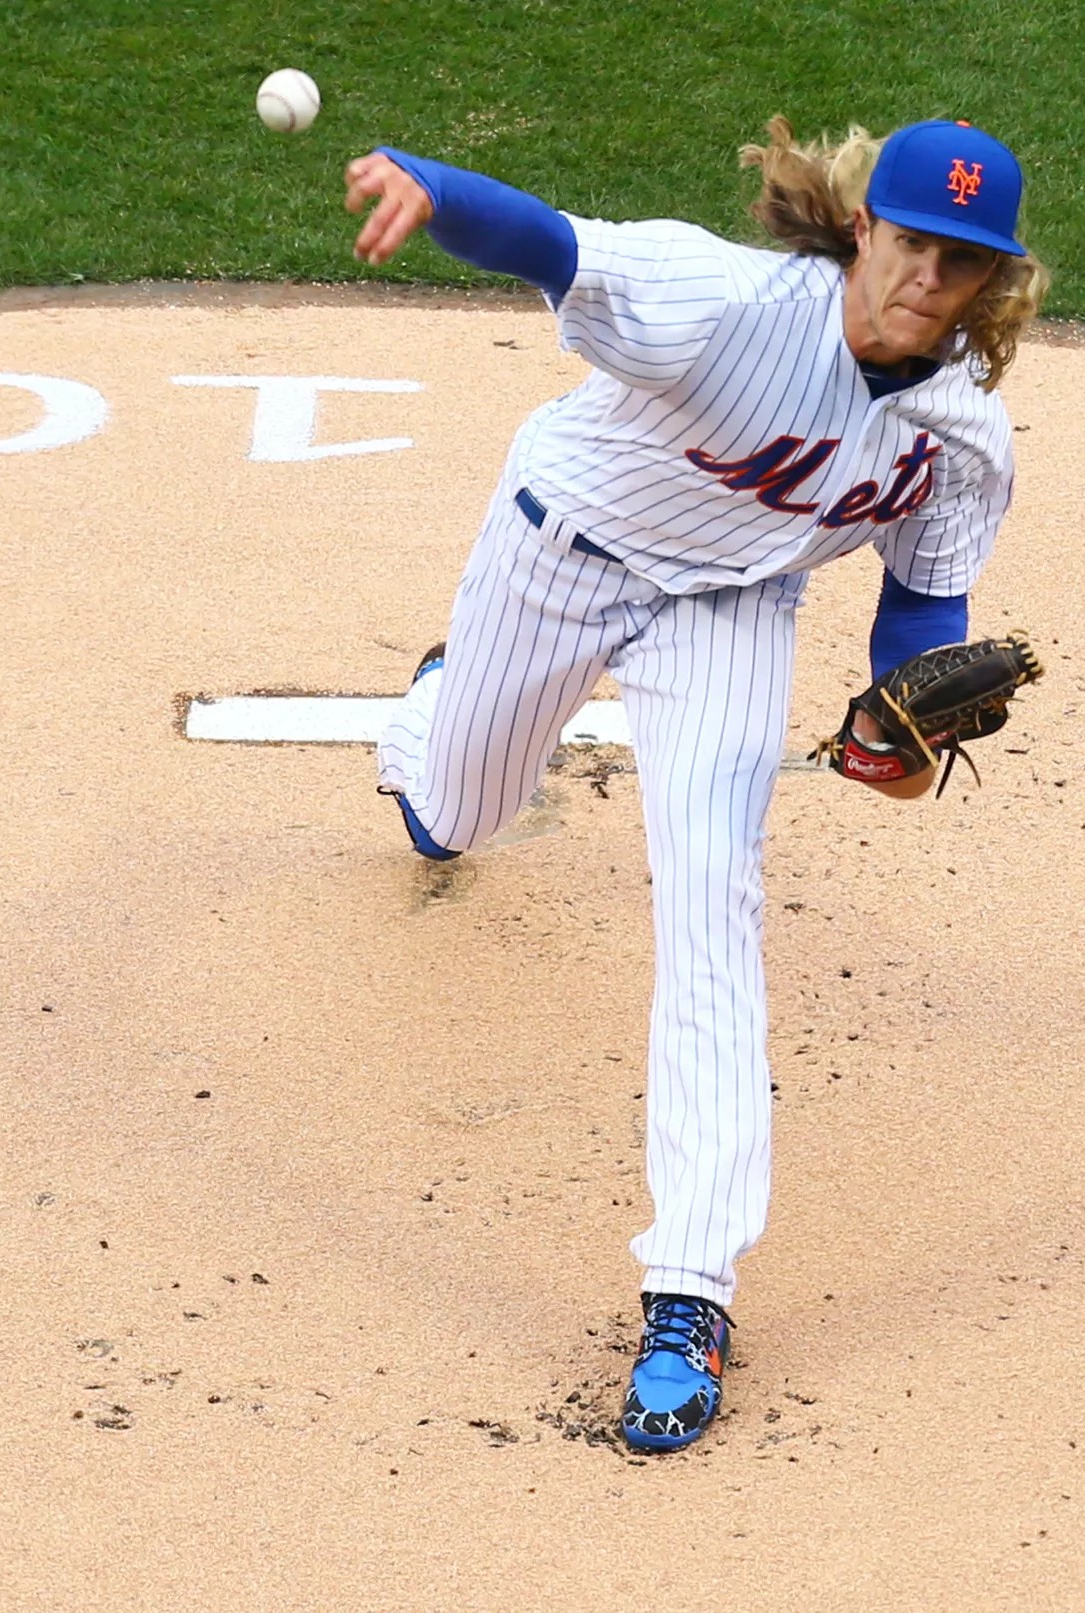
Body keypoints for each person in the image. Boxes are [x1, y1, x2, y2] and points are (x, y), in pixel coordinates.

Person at [348, 115, 1048, 1453]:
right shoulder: (724, 303)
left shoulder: (962, 441)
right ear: (863, 228)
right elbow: (555, 246)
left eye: (961, 262)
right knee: (458, 810)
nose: (927, 279)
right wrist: (435, 191)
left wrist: (896, 737)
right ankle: (434, 716)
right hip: (563, 549)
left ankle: (690, 1293)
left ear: (990, 280)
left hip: (726, 613)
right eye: (910, 243)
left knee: (713, 903)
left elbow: (919, 632)